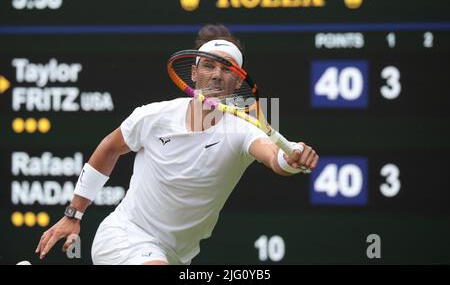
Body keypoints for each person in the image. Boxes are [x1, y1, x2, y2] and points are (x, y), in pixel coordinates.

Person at [35, 24, 319, 265]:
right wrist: (74, 214)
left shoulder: (242, 130)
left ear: (237, 82)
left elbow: (273, 156)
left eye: (227, 69)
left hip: (176, 256)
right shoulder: (153, 116)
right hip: (124, 235)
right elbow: (109, 148)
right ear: (194, 73)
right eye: (208, 65)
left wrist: (290, 160)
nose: (217, 75)